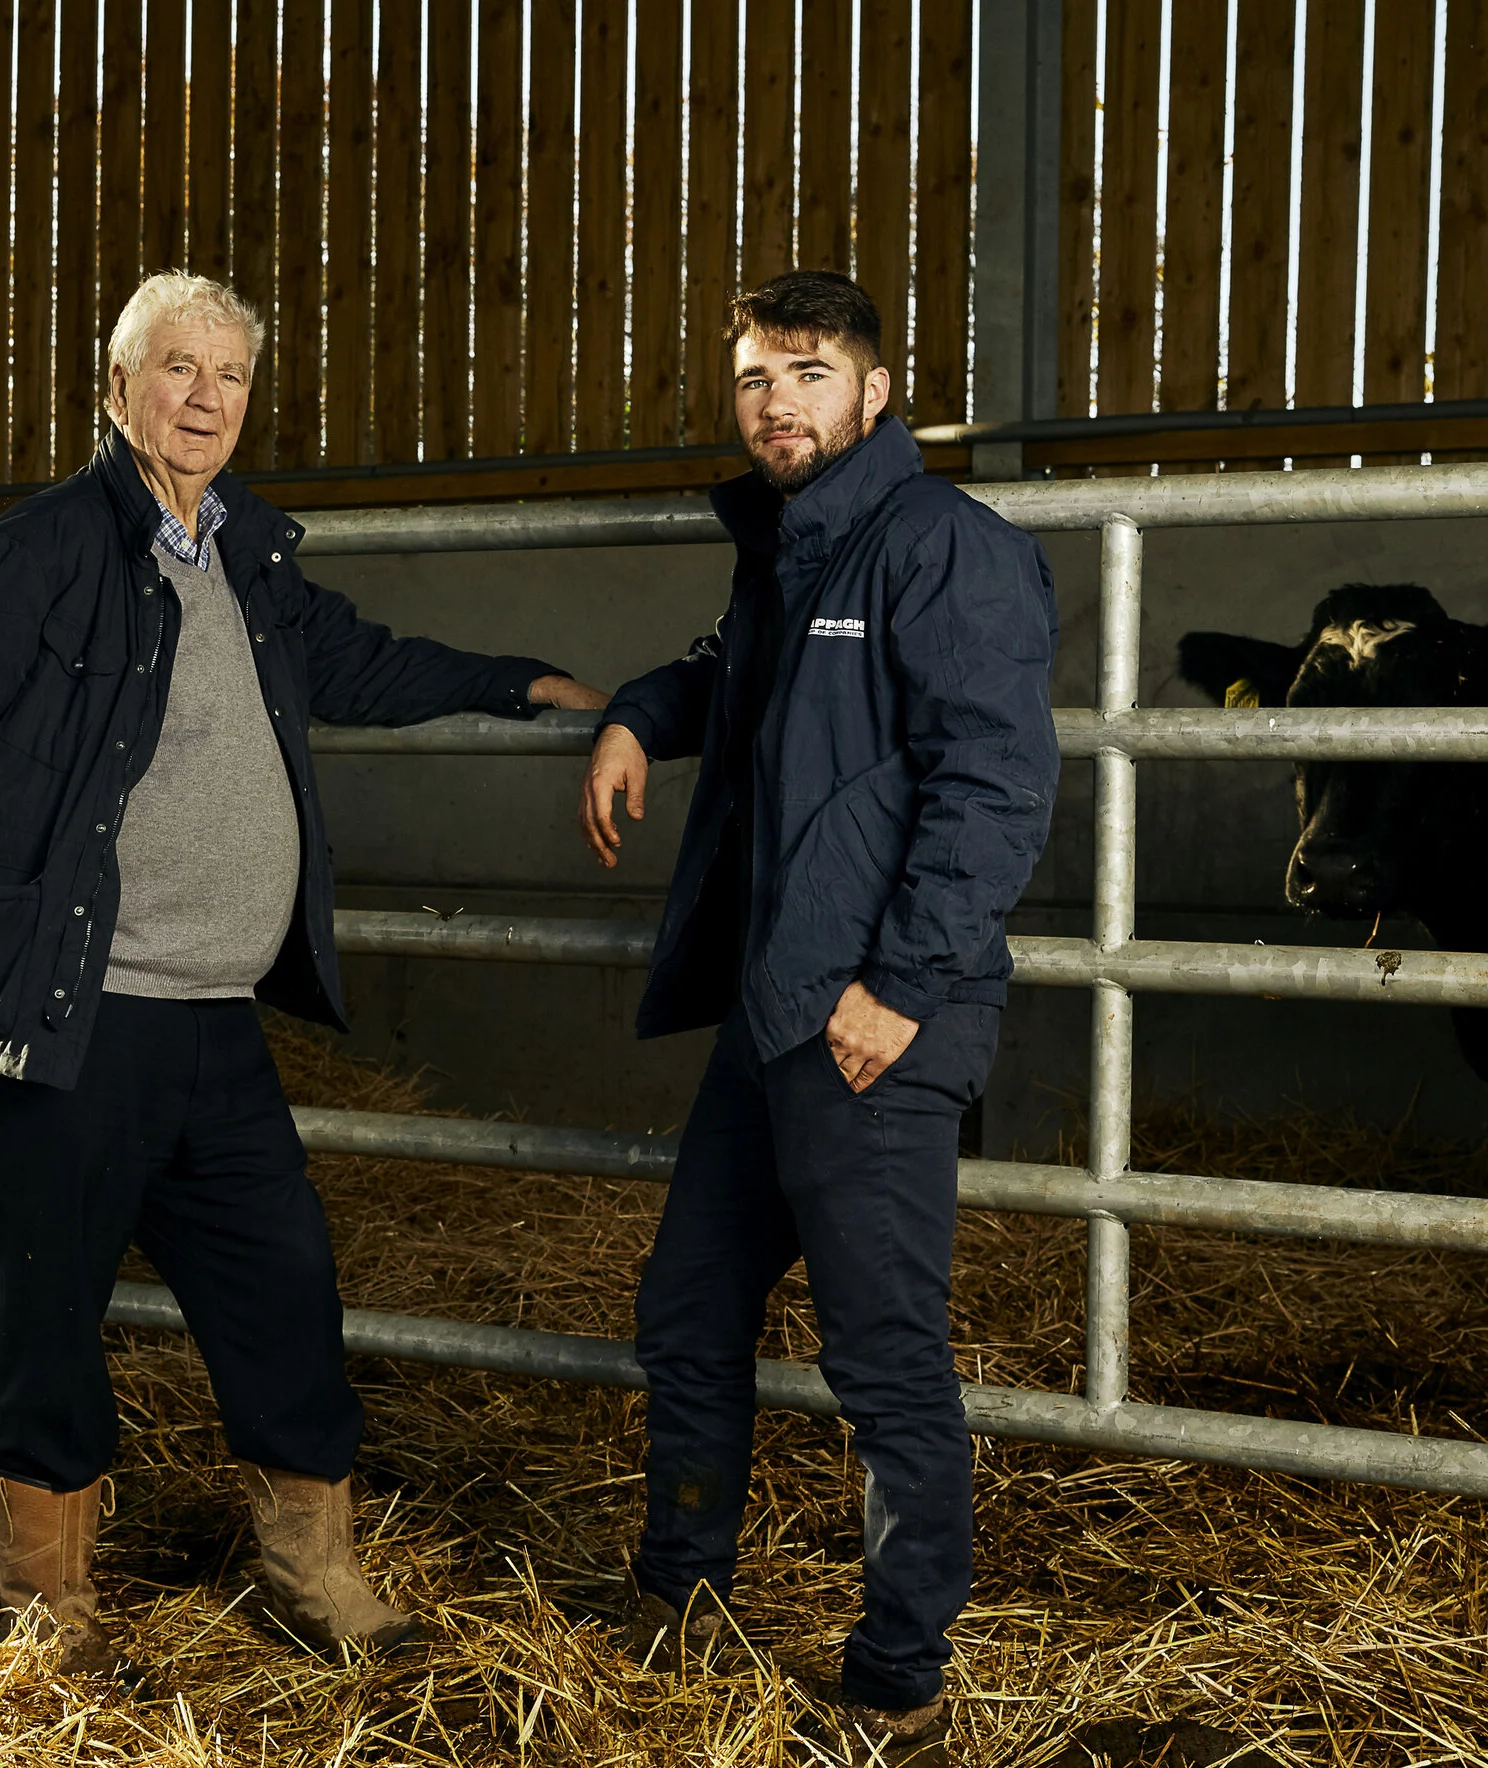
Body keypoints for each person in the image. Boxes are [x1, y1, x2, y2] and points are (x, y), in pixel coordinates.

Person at [0, 270, 608, 1681]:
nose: (205, 398)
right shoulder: (42, 551)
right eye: (177, 368)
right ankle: (47, 1607)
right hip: (78, 1018)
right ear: (117, 388)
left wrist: (521, 683)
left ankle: (310, 1567)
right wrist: (10, 908)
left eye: (230, 375)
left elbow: (366, 664)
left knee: (284, 1288)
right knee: (46, 1310)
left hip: (215, 1022)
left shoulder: (250, 557)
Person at [578, 270, 1058, 1757]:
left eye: (806, 372)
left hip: (875, 1022)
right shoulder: (793, 551)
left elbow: (995, 786)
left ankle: (900, 1677)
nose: (774, 402)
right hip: (779, 1008)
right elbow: (733, 677)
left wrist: (902, 988)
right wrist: (635, 714)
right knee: (689, 1307)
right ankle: (681, 1594)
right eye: (753, 378)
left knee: (885, 1358)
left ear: (874, 390)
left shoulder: (943, 547)